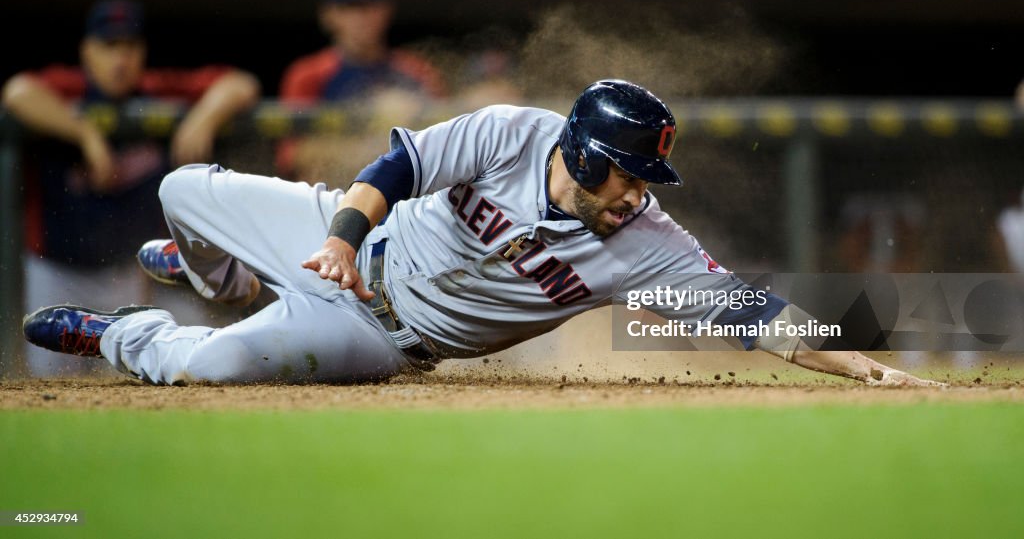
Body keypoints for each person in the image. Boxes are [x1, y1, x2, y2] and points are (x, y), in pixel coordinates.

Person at [23, 79, 944, 387]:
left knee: (205, 369)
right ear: (583, 157)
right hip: (338, 238)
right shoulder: (511, 132)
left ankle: (118, 335)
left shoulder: (646, 243)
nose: (636, 195)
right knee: (182, 187)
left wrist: (846, 355)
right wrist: (341, 236)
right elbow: (394, 171)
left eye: (645, 180)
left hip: (374, 333)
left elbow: (752, 311)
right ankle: (215, 276)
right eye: (627, 174)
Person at [2, 0, 259, 374]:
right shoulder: (67, 89)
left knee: (132, 374)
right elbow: (16, 92)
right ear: (87, 51)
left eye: (129, 46)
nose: (120, 59)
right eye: (108, 46)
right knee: (51, 378)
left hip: (124, 271)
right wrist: (85, 133)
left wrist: (204, 115)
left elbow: (241, 83)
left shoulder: (156, 91)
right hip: (55, 270)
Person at [277, 0, 444, 182]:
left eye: (369, 5)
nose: (360, 17)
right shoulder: (308, 74)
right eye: (349, 7)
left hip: (401, 202)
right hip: (332, 198)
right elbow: (293, 156)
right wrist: (381, 138)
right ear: (329, 15)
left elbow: (443, 145)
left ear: (386, 10)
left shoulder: (416, 71)